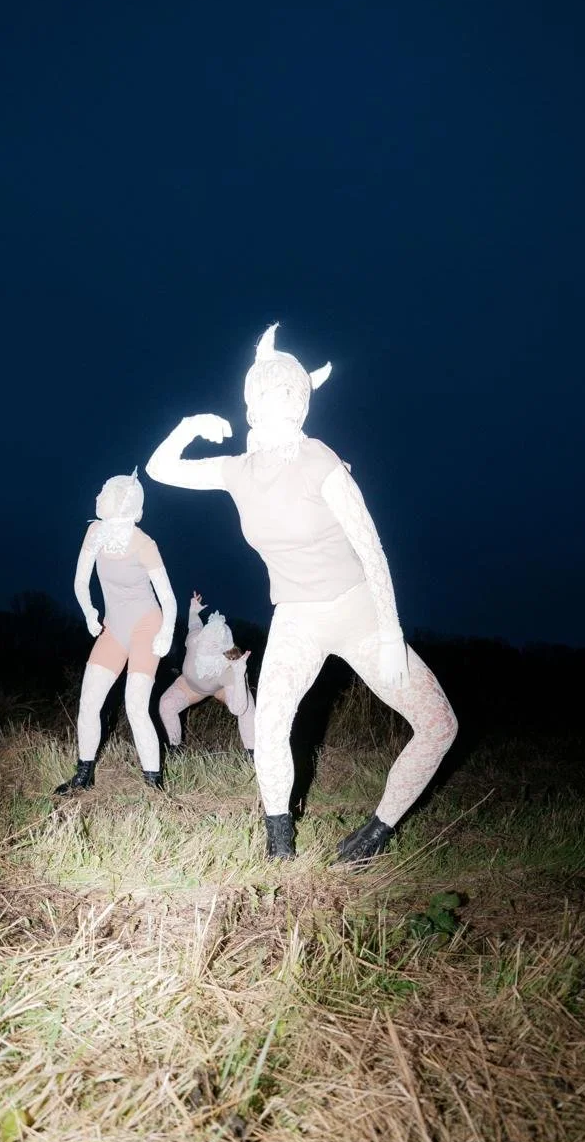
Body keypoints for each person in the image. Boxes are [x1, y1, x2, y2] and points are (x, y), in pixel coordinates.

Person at [146, 324, 457, 861]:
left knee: (439, 725)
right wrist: (188, 425)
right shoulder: (236, 470)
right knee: (268, 722)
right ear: (252, 400)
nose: (285, 404)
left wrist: (390, 632)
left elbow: (371, 548)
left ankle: (373, 837)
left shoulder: (322, 460)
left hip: (359, 611)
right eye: (273, 392)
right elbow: (158, 469)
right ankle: (279, 845)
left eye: (295, 395)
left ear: (303, 405)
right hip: (296, 618)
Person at [55, 471, 176, 792]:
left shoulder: (143, 543)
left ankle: (153, 785)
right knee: (88, 702)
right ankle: (83, 775)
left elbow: (168, 598)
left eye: (105, 492)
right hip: (114, 627)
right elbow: (80, 581)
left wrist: (166, 632)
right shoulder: (95, 532)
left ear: (122, 501)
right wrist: (89, 612)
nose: (97, 497)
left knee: (136, 704)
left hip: (146, 626)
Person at [158, 592, 255, 753]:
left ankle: (252, 753)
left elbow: (238, 709)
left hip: (221, 687)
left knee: (246, 708)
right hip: (190, 687)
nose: (204, 645)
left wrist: (239, 674)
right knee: (166, 704)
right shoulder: (194, 639)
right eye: (204, 640)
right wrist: (193, 611)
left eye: (212, 645)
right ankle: (174, 750)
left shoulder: (229, 668)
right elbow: (195, 625)